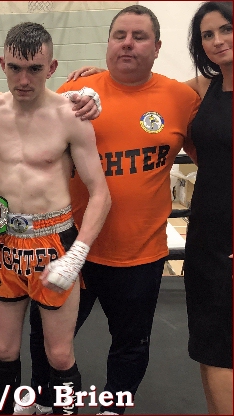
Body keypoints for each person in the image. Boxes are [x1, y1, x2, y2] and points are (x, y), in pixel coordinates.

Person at [13, 5, 201, 415]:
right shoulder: (74, 91)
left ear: (157, 47)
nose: (128, 44)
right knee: (45, 335)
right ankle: (45, 400)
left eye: (139, 36)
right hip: (69, 246)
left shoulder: (181, 99)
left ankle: (113, 407)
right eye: (120, 35)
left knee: (131, 342)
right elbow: (25, 138)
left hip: (140, 254)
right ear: (108, 43)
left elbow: (215, 155)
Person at [0, 22, 111, 415]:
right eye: (15, 68)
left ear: (52, 67)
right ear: (2, 64)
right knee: (3, 349)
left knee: (59, 354)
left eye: (35, 69)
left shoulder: (71, 115)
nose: (23, 80)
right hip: (3, 241)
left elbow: (101, 193)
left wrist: (77, 254)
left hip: (54, 241)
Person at [183, 2, 232, 414]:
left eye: (227, 29)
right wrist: (98, 77)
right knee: (210, 341)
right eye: (208, 35)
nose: (218, 41)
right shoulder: (204, 88)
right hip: (206, 234)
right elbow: (150, 88)